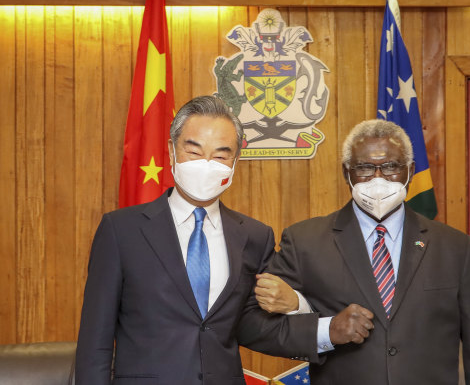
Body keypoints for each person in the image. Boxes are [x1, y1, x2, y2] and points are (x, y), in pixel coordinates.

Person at [75, 96, 318, 385]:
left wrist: (297, 305)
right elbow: (95, 340)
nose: (206, 164)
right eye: (193, 151)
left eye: (220, 155)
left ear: (235, 161)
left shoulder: (254, 236)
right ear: (171, 151)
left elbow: (254, 326)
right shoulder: (120, 230)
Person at [254, 119, 470, 384]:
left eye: (390, 167)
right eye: (363, 168)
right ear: (346, 173)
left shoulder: (454, 247)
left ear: (409, 171)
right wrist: (326, 331)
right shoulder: (305, 241)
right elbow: (257, 327)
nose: (378, 179)